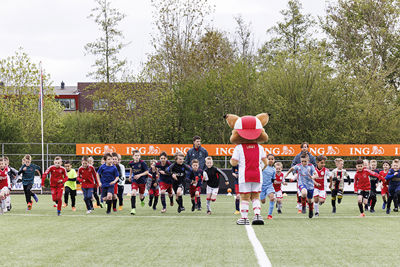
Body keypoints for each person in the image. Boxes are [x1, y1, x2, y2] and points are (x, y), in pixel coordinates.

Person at [285, 153, 319, 218]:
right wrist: (287, 174)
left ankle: (311, 211)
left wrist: (312, 177)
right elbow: (292, 168)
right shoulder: (298, 166)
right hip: (302, 184)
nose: (303, 163)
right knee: (303, 193)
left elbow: (316, 175)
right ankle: (303, 206)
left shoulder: (311, 166)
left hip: (310, 185)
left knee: (310, 200)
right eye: (302, 161)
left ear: (308, 160)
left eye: (305, 161)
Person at [128, 150, 149, 215]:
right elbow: (131, 168)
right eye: (135, 155)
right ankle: (133, 209)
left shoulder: (143, 163)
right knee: (133, 193)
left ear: (140, 156)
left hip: (142, 181)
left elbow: (147, 172)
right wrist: (130, 175)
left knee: (141, 196)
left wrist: (139, 175)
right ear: (133, 157)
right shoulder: (131, 163)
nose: (137, 157)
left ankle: (142, 200)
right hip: (135, 181)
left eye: (138, 155)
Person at [260, 154, 276, 220]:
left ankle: (270, 215)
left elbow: (273, 179)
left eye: (272, 159)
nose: (270, 160)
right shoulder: (263, 167)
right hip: (261, 187)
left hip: (269, 186)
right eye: (269, 159)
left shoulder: (273, 169)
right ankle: (263, 197)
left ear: (274, 160)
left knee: (272, 198)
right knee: (263, 201)